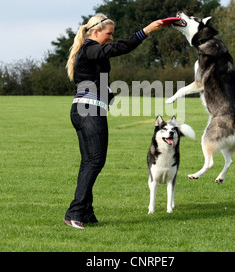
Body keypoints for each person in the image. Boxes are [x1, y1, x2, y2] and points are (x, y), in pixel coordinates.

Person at [64, 14, 163, 229]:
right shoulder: (90, 48)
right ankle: (74, 212)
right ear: (95, 32)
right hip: (88, 111)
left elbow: (97, 79)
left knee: (89, 162)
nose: (110, 38)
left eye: (112, 35)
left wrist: (108, 95)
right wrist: (145, 31)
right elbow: (119, 48)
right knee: (95, 161)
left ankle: (86, 212)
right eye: (108, 34)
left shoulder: (91, 53)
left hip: (85, 109)